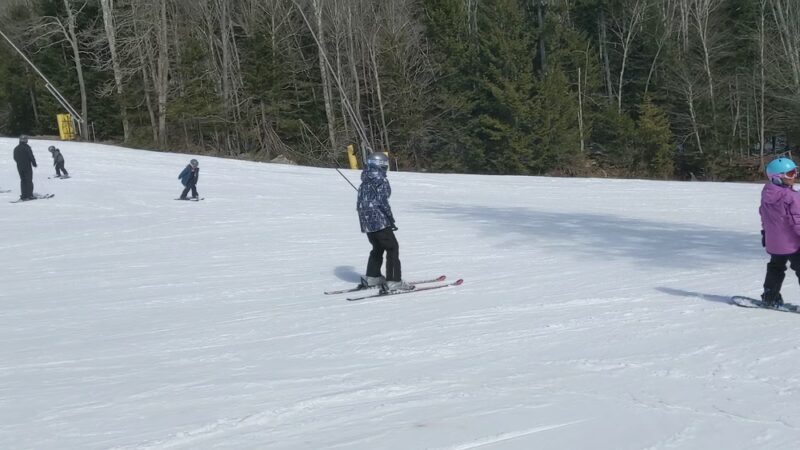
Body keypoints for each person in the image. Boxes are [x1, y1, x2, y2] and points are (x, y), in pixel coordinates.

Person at [356, 152, 413, 292]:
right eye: (385, 164)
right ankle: (394, 281)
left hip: (367, 222)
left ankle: (372, 277)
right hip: (379, 220)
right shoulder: (380, 179)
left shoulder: (365, 180)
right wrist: (390, 218)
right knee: (392, 247)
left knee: (378, 247)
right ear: (380, 165)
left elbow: (362, 203)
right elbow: (382, 202)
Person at [760, 156, 800, 307]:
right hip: (793, 244)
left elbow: (764, 217)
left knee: (776, 267)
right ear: (777, 177)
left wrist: (765, 233)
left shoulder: (766, 194)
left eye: (795, 172)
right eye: (790, 174)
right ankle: (770, 296)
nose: (794, 176)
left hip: (774, 243)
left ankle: (770, 297)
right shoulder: (792, 196)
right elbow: (798, 221)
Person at [13, 135, 37, 200]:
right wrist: (34, 163)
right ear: (26, 140)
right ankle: (29, 195)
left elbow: (15, 158)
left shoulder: (16, 148)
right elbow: (31, 156)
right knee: (29, 180)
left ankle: (24, 195)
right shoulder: (27, 147)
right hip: (27, 166)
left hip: (19, 167)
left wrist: (19, 163)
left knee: (23, 180)